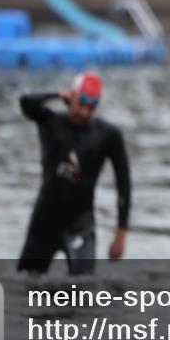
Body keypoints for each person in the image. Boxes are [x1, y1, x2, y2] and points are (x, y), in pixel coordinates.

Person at [16, 71, 131, 275]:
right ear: (72, 97)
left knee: (83, 290)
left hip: (80, 222)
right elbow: (26, 103)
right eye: (82, 104)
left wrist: (121, 233)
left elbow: (124, 183)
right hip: (45, 221)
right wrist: (57, 94)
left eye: (92, 107)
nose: (85, 112)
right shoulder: (50, 122)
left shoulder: (108, 135)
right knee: (26, 284)